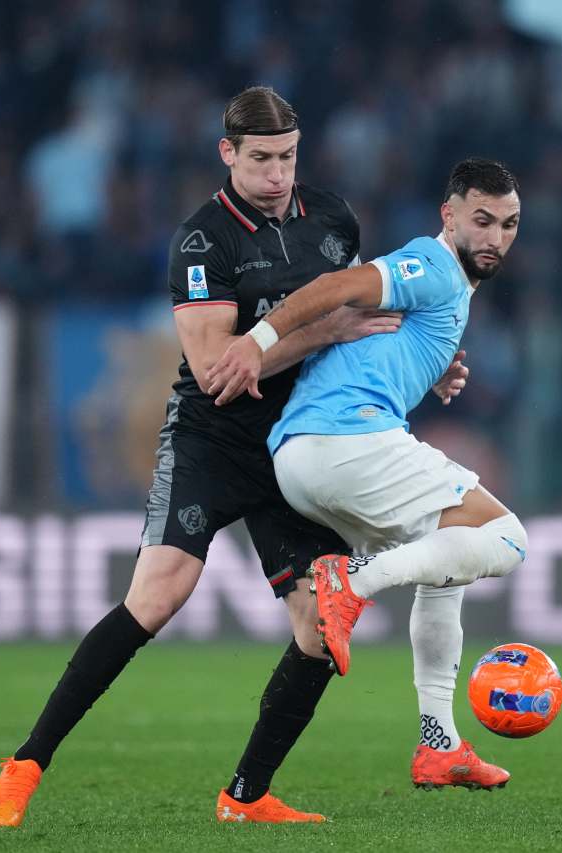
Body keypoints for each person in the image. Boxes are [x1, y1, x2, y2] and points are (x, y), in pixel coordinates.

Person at [0, 85, 412, 828]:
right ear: (227, 154)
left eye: (288, 157)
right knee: (156, 598)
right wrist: (325, 330)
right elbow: (219, 371)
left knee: (322, 627)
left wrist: (428, 363)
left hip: (298, 443)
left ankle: (246, 796)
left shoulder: (334, 219)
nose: (277, 174)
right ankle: (25, 763)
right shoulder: (202, 240)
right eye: (261, 159)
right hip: (212, 440)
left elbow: (367, 319)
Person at [206, 158, 527, 787]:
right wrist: (256, 343)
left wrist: (428, 372)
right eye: (482, 220)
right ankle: (353, 579)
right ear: (449, 216)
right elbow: (337, 288)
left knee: (446, 567)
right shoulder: (432, 264)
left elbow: (368, 347)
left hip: (305, 458)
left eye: (509, 225)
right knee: (507, 538)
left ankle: (440, 744)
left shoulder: (450, 290)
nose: (495, 237)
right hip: (345, 443)